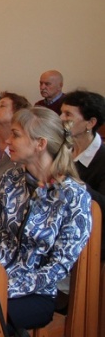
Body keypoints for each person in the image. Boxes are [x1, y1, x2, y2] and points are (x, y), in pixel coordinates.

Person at [0, 107, 92, 330]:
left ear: (40, 144)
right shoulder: (11, 178)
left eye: (16, 134)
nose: (8, 140)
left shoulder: (73, 196)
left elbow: (59, 265)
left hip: (35, 292)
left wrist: (3, 288)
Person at [60, 91, 105, 257]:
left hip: (90, 236)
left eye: (68, 114)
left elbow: (102, 205)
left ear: (90, 123)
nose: (61, 118)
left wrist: (74, 183)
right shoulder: (62, 148)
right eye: (61, 112)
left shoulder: (102, 158)